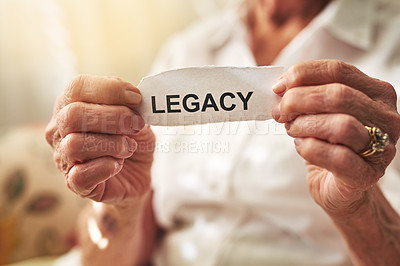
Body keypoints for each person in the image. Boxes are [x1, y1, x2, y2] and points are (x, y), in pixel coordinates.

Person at [45, 0, 400, 265]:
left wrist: (356, 206)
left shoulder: (391, 50)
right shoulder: (186, 48)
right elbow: (116, 248)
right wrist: (125, 207)